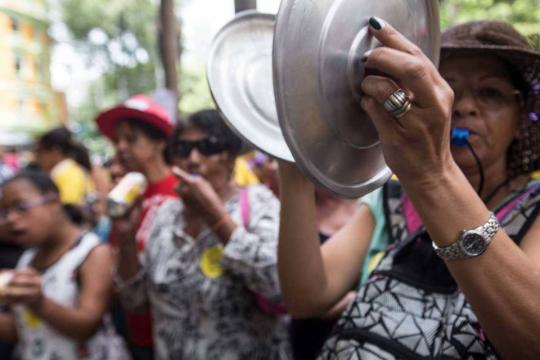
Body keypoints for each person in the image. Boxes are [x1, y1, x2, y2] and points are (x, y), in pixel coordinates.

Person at [278, 18, 540, 359]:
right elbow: (307, 297)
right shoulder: (392, 198)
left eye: (490, 92)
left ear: (521, 118)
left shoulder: (533, 208)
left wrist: (433, 174)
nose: (463, 106)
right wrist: (292, 164)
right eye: (448, 88)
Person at [114, 110, 291, 359]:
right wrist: (125, 239)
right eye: (184, 149)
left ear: (230, 156)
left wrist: (215, 217)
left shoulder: (258, 203)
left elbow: (279, 285)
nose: (194, 159)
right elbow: (135, 301)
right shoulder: (165, 214)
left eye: (208, 147)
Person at [0, 170, 128, 359]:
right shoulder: (28, 259)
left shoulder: (91, 252)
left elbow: (87, 325)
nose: (10, 219)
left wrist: (39, 302)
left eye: (20, 206)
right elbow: (22, 329)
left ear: (53, 202)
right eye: (5, 211)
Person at [95, 94, 178, 359]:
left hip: (178, 333)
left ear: (159, 142)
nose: (120, 147)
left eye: (131, 139)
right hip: (136, 330)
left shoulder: (185, 189)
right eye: (117, 140)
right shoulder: (124, 197)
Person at [34, 127, 95, 210]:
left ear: (55, 151)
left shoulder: (69, 174)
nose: (37, 159)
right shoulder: (67, 171)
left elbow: (67, 210)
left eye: (40, 153)